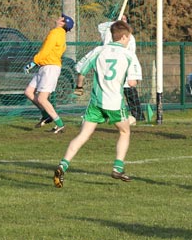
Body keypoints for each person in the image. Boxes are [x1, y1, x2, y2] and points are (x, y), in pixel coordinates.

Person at [53, 20, 141, 188]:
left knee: (83, 135)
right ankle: (118, 167)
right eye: (129, 37)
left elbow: (80, 70)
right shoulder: (129, 55)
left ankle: (62, 165)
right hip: (115, 102)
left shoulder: (98, 51)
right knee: (124, 131)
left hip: (96, 102)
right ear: (123, 37)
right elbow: (132, 83)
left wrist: (79, 86)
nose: (130, 40)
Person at [24, 14, 74, 134]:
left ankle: (59, 123)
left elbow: (46, 50)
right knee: (29, 92)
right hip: (45, 66)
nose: (58, 18)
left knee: (42, 98)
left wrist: (33, 62)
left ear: (63, 23)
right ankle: (46, 115)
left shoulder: (55, 33)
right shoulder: (60, 35)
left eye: (61, 18)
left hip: (50, 68)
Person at [97, 16, 144, 122]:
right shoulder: (109, 32)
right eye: (121, 19)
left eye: (125, 19)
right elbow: (100, 26)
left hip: (122, 65)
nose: (123, 21)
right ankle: (106, 115)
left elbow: (131, 52)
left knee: (129, 90)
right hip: (108, 66)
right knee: (108, 92)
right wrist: (114, 23)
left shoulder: (130, 37)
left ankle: (138, 115)